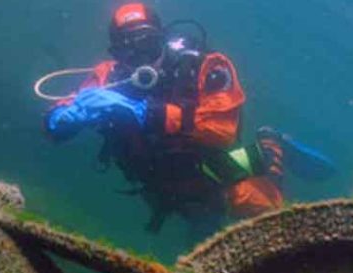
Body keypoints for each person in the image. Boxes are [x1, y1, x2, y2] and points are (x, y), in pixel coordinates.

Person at [43, 3, 289, 232]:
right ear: (116, 53)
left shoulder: (204, 66)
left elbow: (222, 130)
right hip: (162, 185)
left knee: (270, 220)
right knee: (204, 226)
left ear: (162, 39)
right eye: (126, 49)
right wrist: (59, 118)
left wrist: (146, 114)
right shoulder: (108, 76)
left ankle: (271, 146)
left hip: (218, 172)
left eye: (146, 44)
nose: (139, 57)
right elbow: (69, 105)